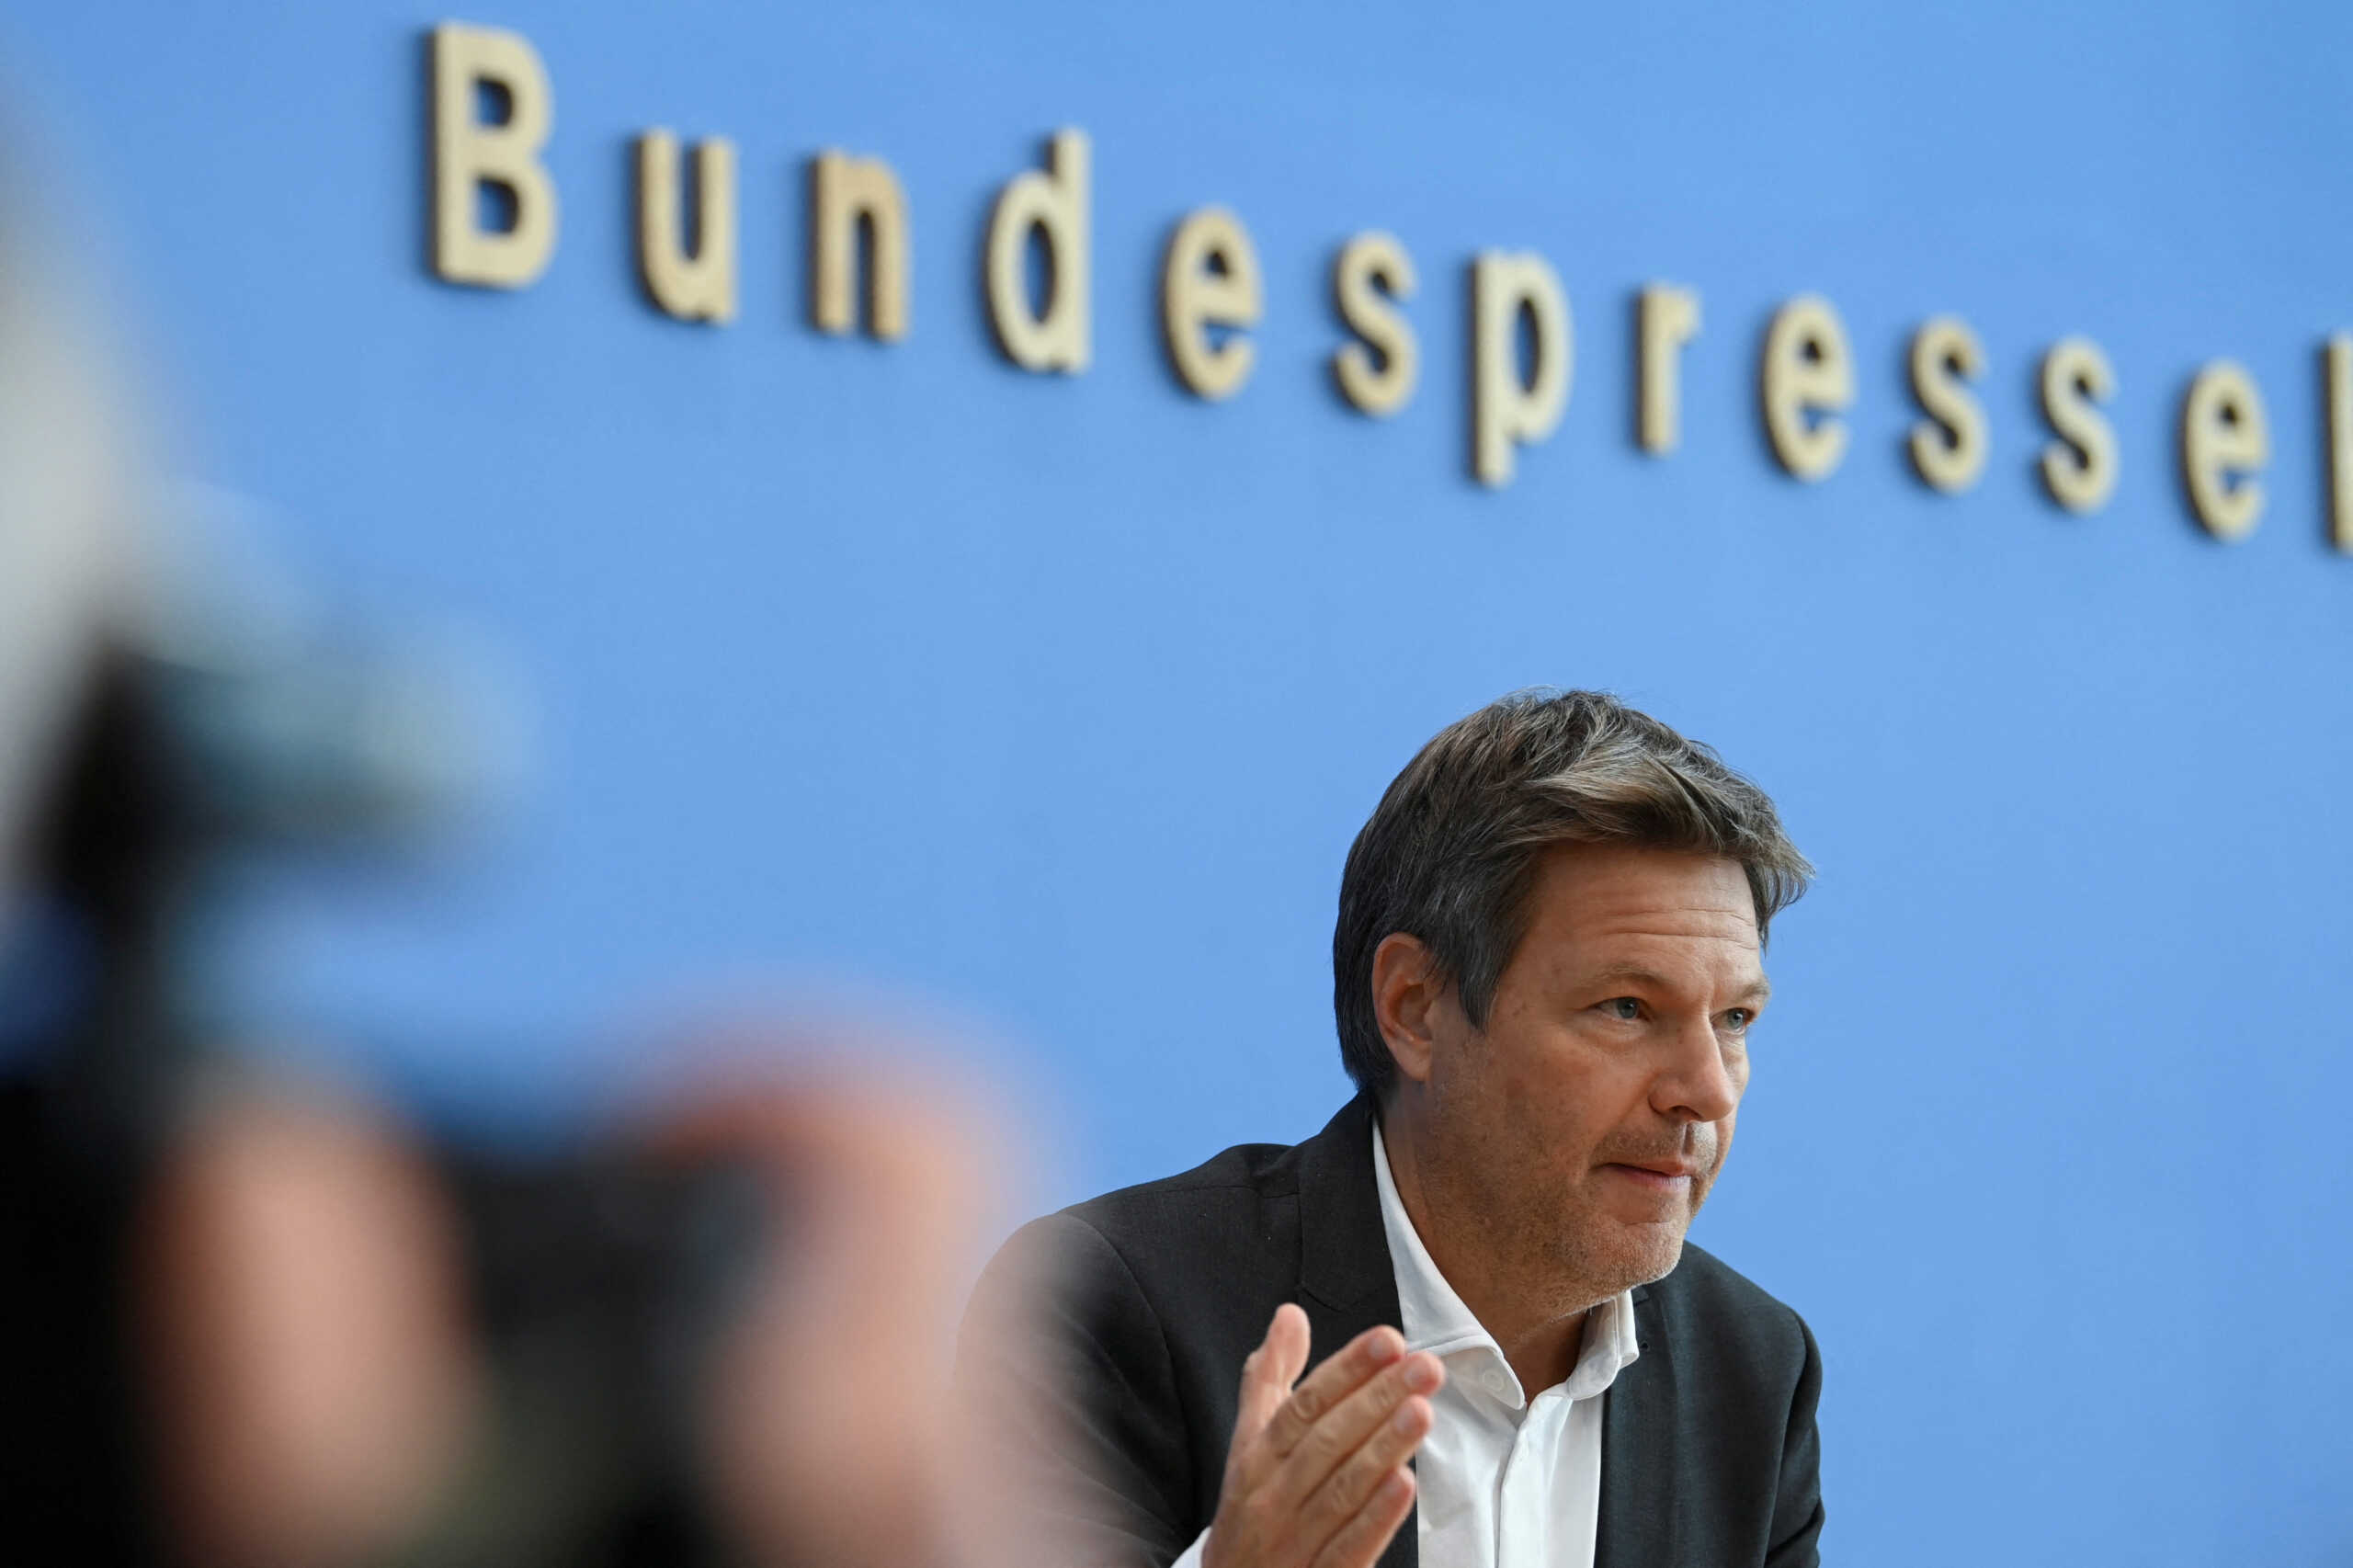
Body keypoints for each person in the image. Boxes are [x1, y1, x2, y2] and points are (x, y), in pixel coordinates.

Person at [960, 689, 1823, 1568]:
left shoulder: (1752, 1371)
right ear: (1414, 1009)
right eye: (1628, 1007)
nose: (1706, 1092)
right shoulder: (1109, 1309)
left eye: (1736, 1019)